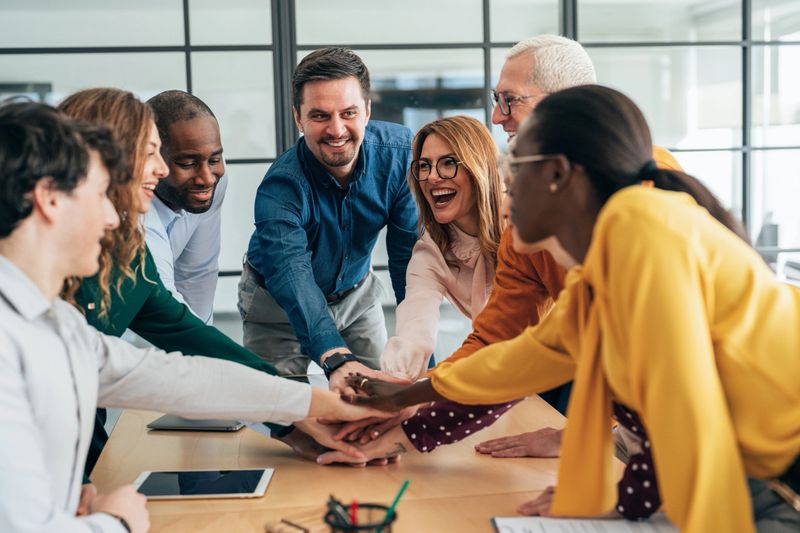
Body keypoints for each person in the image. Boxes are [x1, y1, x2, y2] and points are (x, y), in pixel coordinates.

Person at [342, 85, 800, 533]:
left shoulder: (642, 226)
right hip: (752, 473)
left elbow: (681, 404)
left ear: (558, 174)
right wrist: (404, 398)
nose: (505, 186)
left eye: (514, 167)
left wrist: (622, 500)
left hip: (780, 482)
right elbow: (515, 362)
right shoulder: (597, 268)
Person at [0, 102, 383, 533]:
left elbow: (176, 375)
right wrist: (117, 521)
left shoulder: (55, 325)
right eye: (98, 193)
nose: (112, 216)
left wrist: (309, 411)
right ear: (49, 198)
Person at [338, 34, 680, 454]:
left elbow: (674, 381)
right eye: (424, 166)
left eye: (509, 100)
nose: (497, 118)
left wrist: (587, 445)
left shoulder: (649, 198)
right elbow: (500, 350)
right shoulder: (525, 227)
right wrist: (408, 426)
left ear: (568, 102)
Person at [239, 47, 417, 391]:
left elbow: (407, 258)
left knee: (385, 396)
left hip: (356, 298)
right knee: (277, 412)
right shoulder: (280, 187)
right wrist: (333, 355)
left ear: (367, 111)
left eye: (348, 112)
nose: (337, 130)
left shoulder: (399, 156)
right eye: (320, 116)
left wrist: (416, 344)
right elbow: (291, 273)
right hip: (278, 306)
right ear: (298, 118)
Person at [380, 115, 503, 381]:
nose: (432, 177)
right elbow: (416, 322)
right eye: (424, 166)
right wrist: (399, 376)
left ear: (477, 167)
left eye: (448, 163)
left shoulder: (519, 224)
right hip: (508, 369)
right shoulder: (430, 251)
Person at [143, 90, 225, 324]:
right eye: (187, 163)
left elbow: (198, 272)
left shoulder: (212, 183)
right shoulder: (136, 204)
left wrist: (208, 357)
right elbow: (164, 299)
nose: (207, 178)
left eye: (215, 160)